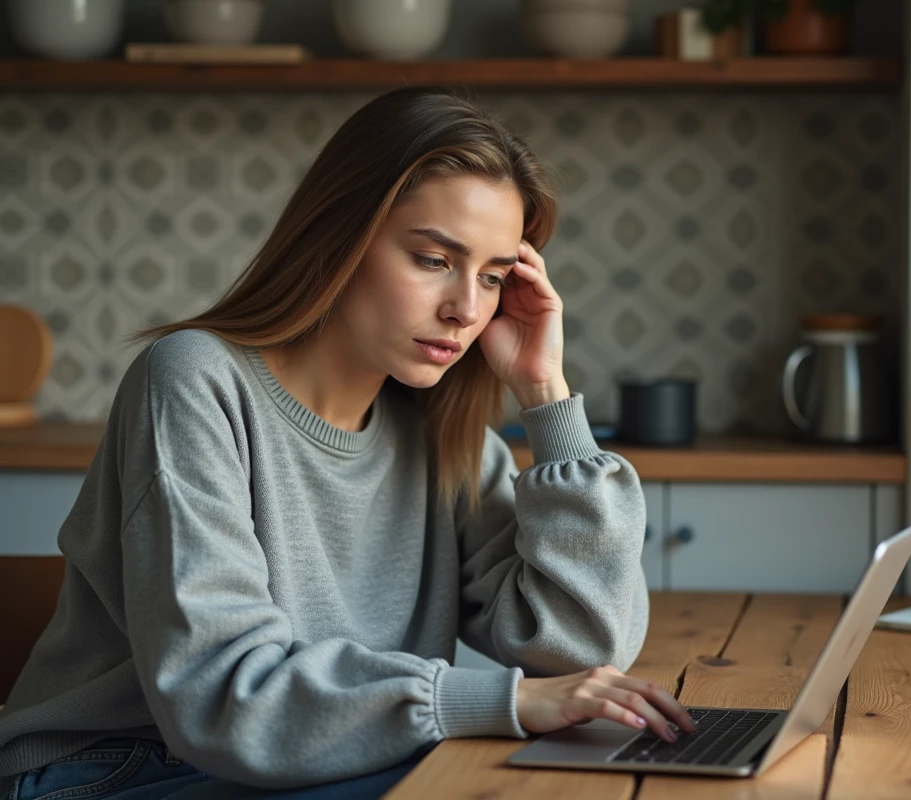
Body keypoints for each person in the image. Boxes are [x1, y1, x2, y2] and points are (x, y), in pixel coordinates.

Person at [0, 87, 694, 800]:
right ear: (341, 236)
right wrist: (502, 704)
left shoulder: (439, 437)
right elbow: (221, 696)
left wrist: (546, 394)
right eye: (432, 259)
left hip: (324, 761)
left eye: (491, 277)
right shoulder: (192, 380)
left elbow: (579, 647)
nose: (465, 308)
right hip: (119, 770)